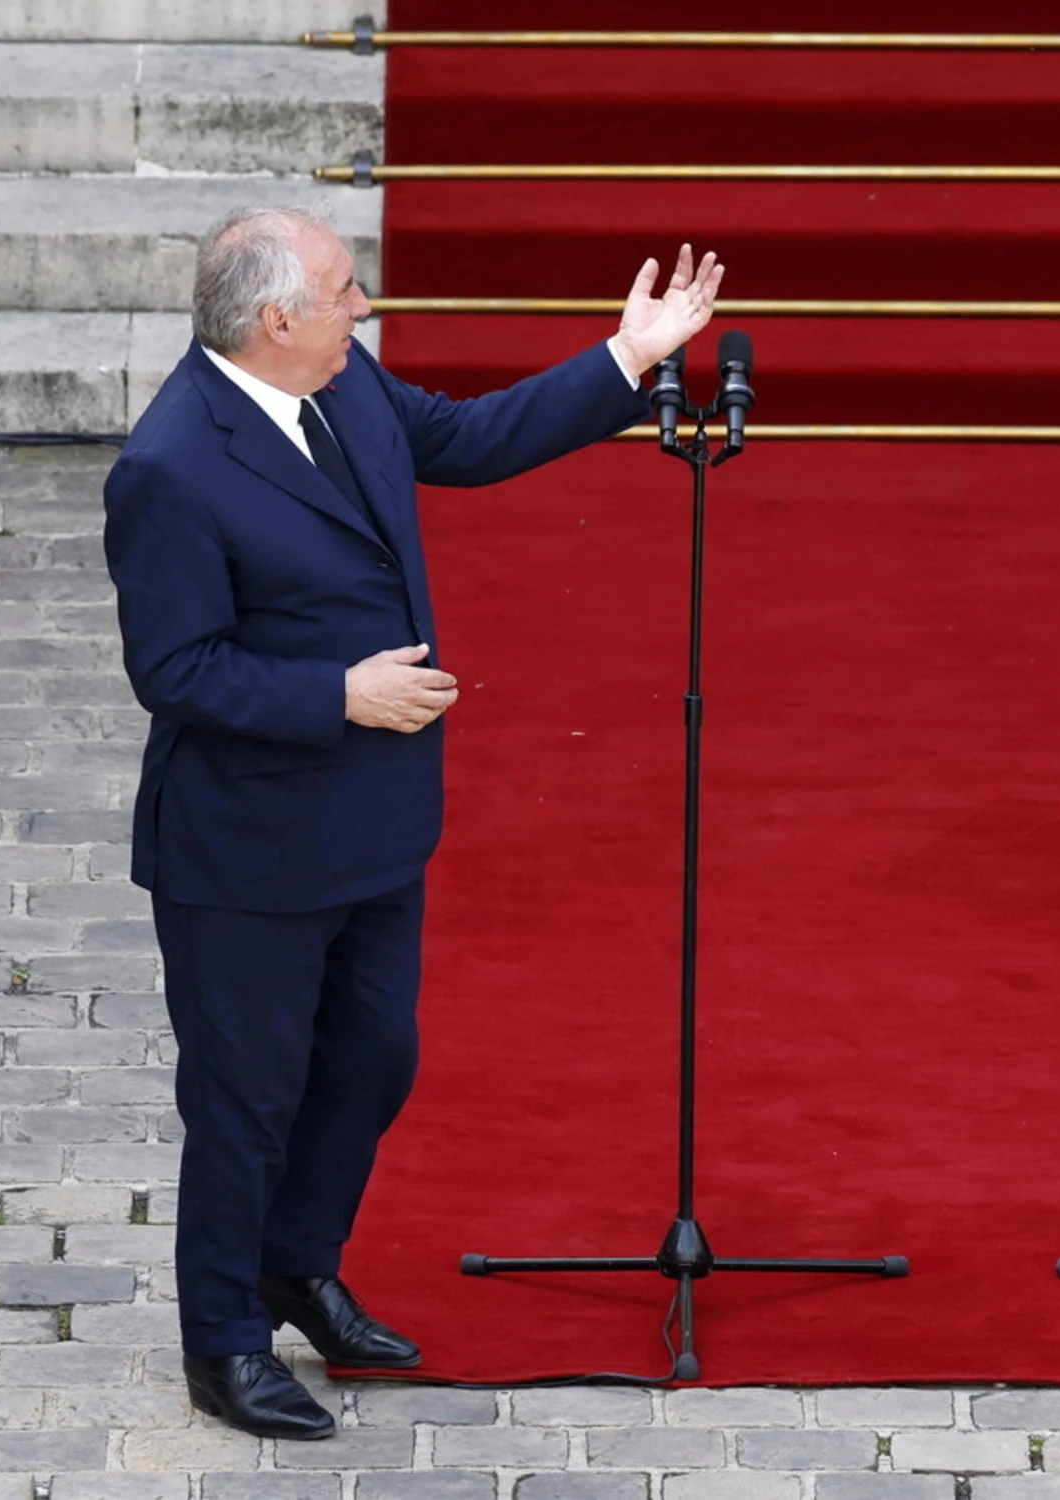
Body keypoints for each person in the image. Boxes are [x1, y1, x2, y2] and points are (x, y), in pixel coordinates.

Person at [104, 206, 721, 1438]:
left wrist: (629, 357)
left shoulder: (346, 387)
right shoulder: (171, 464)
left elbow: (474, 438)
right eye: (345, 290)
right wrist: (338, 693)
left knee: (373, 1060)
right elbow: (175, 670)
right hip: (245, 847)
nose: (365, 305)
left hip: (373, 825)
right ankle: (222, 1341)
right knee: (245, 1098)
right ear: (277, 319)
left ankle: (297, 1264)